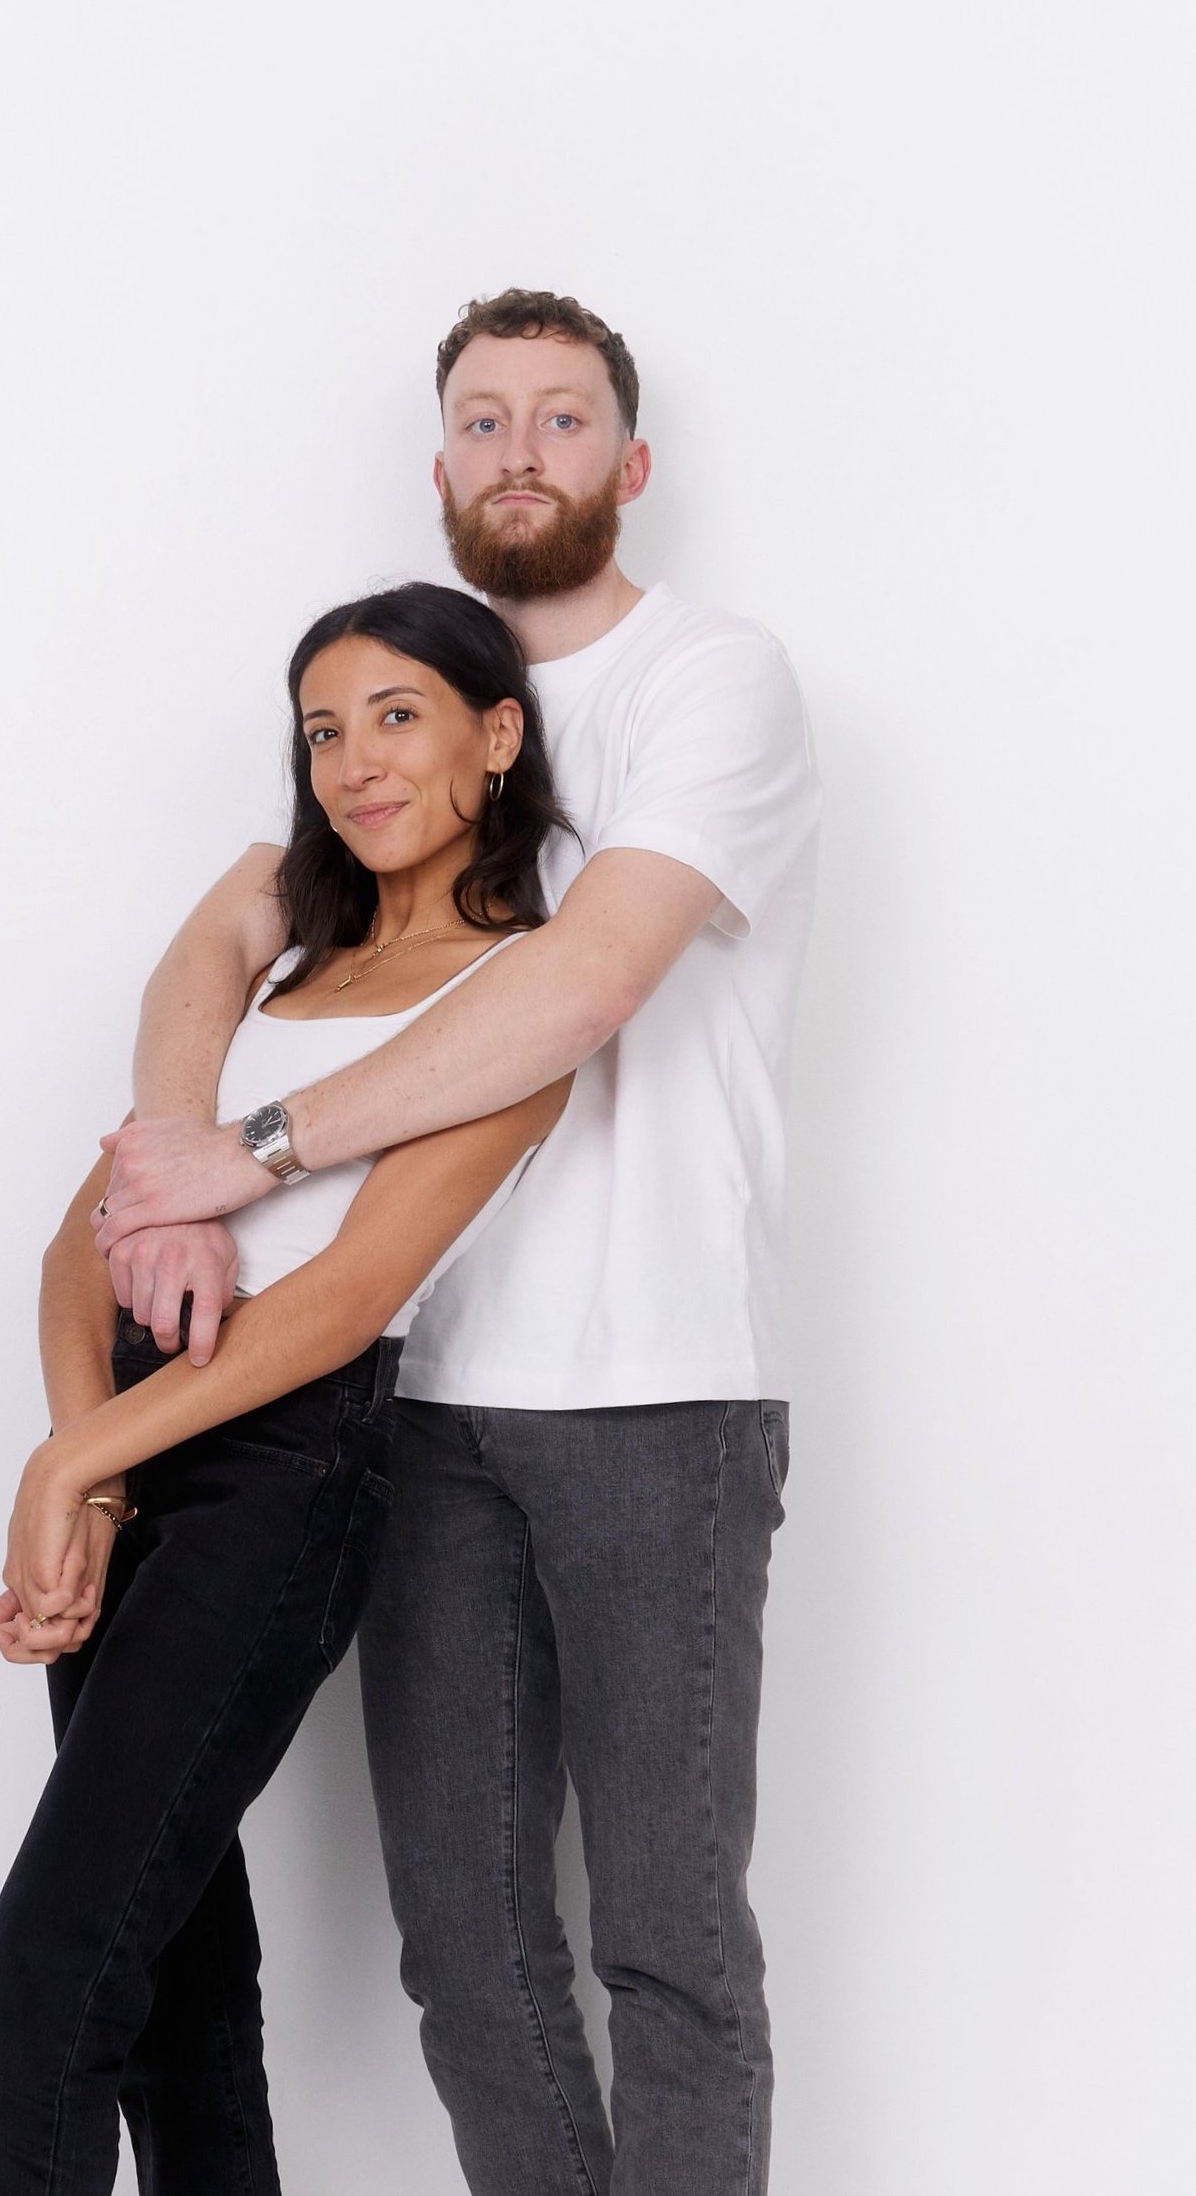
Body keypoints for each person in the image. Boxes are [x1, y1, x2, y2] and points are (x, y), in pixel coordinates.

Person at [93, 290, 822, 2196]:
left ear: (628, 465)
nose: (520, 452)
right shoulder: (401, 702)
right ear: (438, 476)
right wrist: (170, 1153)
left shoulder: (708, 682)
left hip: (655, 1390)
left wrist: (249, 1150)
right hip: (408, 1396)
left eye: (561, 420)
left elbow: (576, 991)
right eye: (482, 423)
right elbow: (222, 934)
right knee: (466, 1953)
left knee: (669, 1948)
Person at [0, 583, 576, 2196]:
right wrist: (82, 1461)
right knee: (167, 1995)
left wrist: (75, 1459)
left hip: (282, 1473)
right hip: (137, 1442)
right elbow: (85, 1241)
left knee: (36, 2002)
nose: (354, 764)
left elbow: (352, 1299)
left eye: (397, 717)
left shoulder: (509, 1004)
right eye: (321, 732)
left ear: (495, 736)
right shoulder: (279, 972)